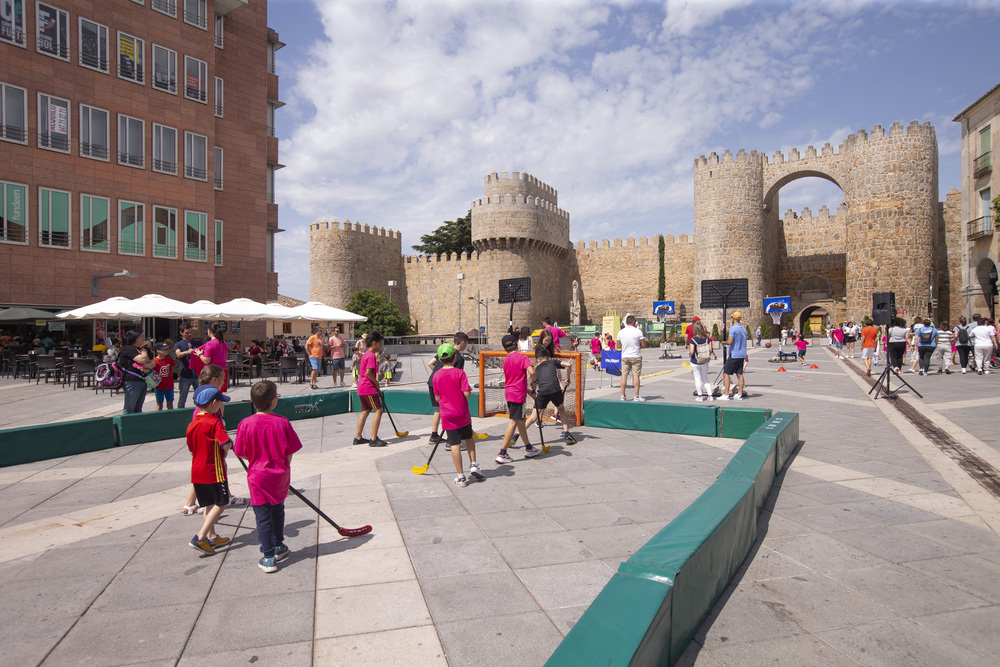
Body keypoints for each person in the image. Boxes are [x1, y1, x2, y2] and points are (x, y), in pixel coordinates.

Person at [234, 380, 303, 573]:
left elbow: (241, 452)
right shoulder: (282, 422)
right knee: (277, 510)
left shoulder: (245, 424)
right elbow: (290, 451)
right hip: (279, 474)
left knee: (262, 516)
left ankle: (268, 555)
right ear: (273, 401)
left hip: (258, 475)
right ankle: (278, 544)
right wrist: (283, 465)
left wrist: (257, 461)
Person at [186, 385, 233, 555]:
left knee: (208, 504)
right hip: (214, 470)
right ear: (214, 403)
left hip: (196, 471)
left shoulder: (192, 424)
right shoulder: (215, 422)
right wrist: (227, 448)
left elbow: (191, 448)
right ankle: (200, 536)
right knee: (221, 503)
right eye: (220, 403)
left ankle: (212, 536)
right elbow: (225, 444)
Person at [432, 342, 482, 487]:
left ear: (440, 360)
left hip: (448, 415)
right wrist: (467, 390)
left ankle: (460, 476)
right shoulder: (460, 373)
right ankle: (473, 464)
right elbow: (466, 393)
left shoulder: (436, 375)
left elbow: (437, 397)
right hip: (462, 413)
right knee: (468, 437)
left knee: (454, 444)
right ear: (455, 357)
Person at [495, 334, 542, 463]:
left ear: (505, 349)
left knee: (521, 421)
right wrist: (535, 381)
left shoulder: (506, 361)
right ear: (516, 344)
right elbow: (532, 372)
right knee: (513, 421)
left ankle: (528, 448)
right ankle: (502, 452)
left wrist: (527, 390)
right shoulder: (522, 357)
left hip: (510, 392)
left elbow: (513, 380)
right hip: (517, 395)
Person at [427, 331, 469, 446]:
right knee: (447, 409)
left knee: (439, 409)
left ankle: (434, 435)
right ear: (462, 342)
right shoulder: (458, 357)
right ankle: (450, 440)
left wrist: (439, 376)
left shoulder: (445, 349)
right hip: (444, 385)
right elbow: (457, 377)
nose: (466, 347)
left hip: (433, 382)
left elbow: (430, 363)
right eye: (466, 344)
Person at [532, 346, 577, 443]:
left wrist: (533, 390)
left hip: (543, 391)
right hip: (554, 389)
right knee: (561, 409)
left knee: (533, 416)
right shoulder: (553, 361)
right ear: (548, 358)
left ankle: (516, 435)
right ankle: (567, 434)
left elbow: (534, 382)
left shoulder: (537, 368)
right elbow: (568, 365)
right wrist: (567, 378)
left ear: (538, 360)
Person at [354, 331, 387, 446]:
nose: (381, 346)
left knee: (365, 411)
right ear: (374, 343)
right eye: (380, 344)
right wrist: (377, 384)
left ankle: (358, 437)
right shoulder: (371, 356)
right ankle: (373, 438)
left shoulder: (365, 354)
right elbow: (369, 372)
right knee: (379, 410)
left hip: (361, 387)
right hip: (368, 388)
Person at [118, 329, 155, 414]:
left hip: (143, 380)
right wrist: (144, 352)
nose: (144, 339)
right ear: (135, 338)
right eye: (142, 336)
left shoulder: (141, 349)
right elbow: (142, 359)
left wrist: (147, 365)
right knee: (129, 407)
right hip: (132, 381)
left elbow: (153, 363)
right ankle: (126, 425)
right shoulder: (128, 349)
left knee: (138, 407)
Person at [617, 314, 646, 402]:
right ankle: (636, 396)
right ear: (633, 322)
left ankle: (623, 395)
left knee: (624, 375)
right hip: (635, 356)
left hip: (625, 356)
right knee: (636, 375)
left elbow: (618, 346)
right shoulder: (638, 331)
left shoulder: (621, 332)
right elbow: (644, 345)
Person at [720, 311, 748, 400]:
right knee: (739, 374)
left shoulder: (733, 329)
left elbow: (730, 341)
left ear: (734, 319)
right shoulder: (744, 329)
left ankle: (726, 394)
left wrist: (723, 342)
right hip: (742, 354)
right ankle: (739, 394)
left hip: (734, 353)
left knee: (726, 373)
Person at [195, 323, 230, 391]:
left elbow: (206, 360)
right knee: (219, 396)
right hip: (223, 371)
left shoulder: (210, 344)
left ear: (209, 331)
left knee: (211, 395)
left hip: (212, 373)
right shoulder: (224, 343)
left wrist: (199, 354)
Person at [687, 320, 713, 401]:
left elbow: (691, 351)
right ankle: (710, 396)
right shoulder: (707, 339)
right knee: (705, 378)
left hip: (696, 361)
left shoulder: (693, 340)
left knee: (697, 379)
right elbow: (710, 350)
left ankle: (700, 396)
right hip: (705, 361)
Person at [153, 343, 176, 410]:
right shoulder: (155, 361)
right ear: (158, 350)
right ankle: (158, 418)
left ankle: (170, 418)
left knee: (170, 403)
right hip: (159, 386)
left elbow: (171, 370)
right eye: (163, 349)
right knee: (159, 404)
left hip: (169, 385)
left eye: (166, 349)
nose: (166, 351)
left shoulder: (170, 360)